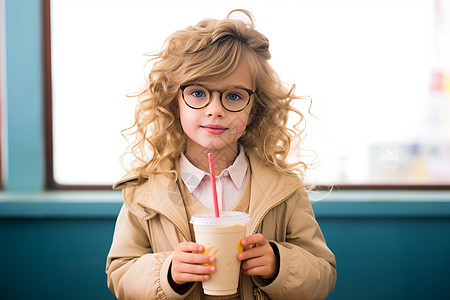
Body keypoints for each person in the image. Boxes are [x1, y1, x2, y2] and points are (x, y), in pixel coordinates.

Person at [106, 9, 336, 300]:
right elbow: (119, 273)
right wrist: (168, 271)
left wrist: (279, 264)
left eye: (234, 96)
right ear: (175, 103)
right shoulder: (145, 192)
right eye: (199, 93)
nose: (215, 109)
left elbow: (323, 272)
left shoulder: (284, 188)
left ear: (254, 109)